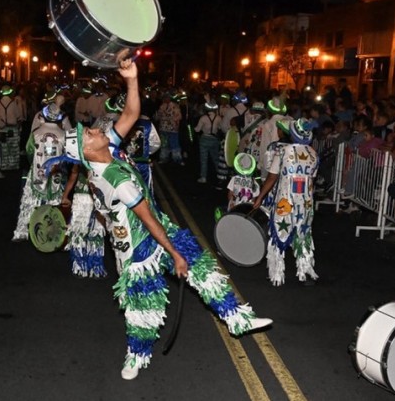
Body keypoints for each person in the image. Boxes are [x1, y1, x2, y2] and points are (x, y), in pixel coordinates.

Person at [63, 58, 272, 381]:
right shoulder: (116, 179)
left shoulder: (110, 149)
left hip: (154, 229)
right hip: (136, 251)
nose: (92, 129)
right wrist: (174, 254)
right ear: (88, 151)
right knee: (142, 312)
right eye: (87, 134)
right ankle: (135, 356)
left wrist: (132, 79)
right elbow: (147, 219)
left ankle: (237, 319)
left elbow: (131, 114)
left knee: (203, 269)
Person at [252, 119, 320, 286]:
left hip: (285, 201)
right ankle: (304, 273)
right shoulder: (313, 154)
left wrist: (260, 197)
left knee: (278, 234)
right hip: (305, 203)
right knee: (303, 235)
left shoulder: (283, 151)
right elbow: (311, 180)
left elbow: (272, 177)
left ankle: (276, 275)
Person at [12, 104, 68, 242]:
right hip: (56, 174)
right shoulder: (64, 135)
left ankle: (22, 232)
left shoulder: (35, 133)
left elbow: (29, 152)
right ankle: (53, 235)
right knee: (54, 203)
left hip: (37, 172)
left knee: (29, 201)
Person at [61, 163, 106, 278]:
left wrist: (65, 196)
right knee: (83, 232)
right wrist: (65, 196)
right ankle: (86, 267)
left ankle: (90, 267)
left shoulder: (81, 156)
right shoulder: (102, 155)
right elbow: (74, 174)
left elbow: (74, 175)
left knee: (92, 232)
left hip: (93, 198)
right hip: (87, 198)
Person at [0, 85, 25, 171]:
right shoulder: (13, 103)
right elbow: (19, 117)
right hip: (13, 128)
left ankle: (3, 165)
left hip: (2, 129)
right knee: (13, 148)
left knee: (3, 148)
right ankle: (13, 165)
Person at [194, 99, 221, 183]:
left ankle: (203, 177)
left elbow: (197, 130)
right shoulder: (219, 118)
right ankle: (219, 174)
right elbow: (220, 128)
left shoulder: (203, 118)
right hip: (214, 139)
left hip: (204, 139)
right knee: (216, 158)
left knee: (204, 159)